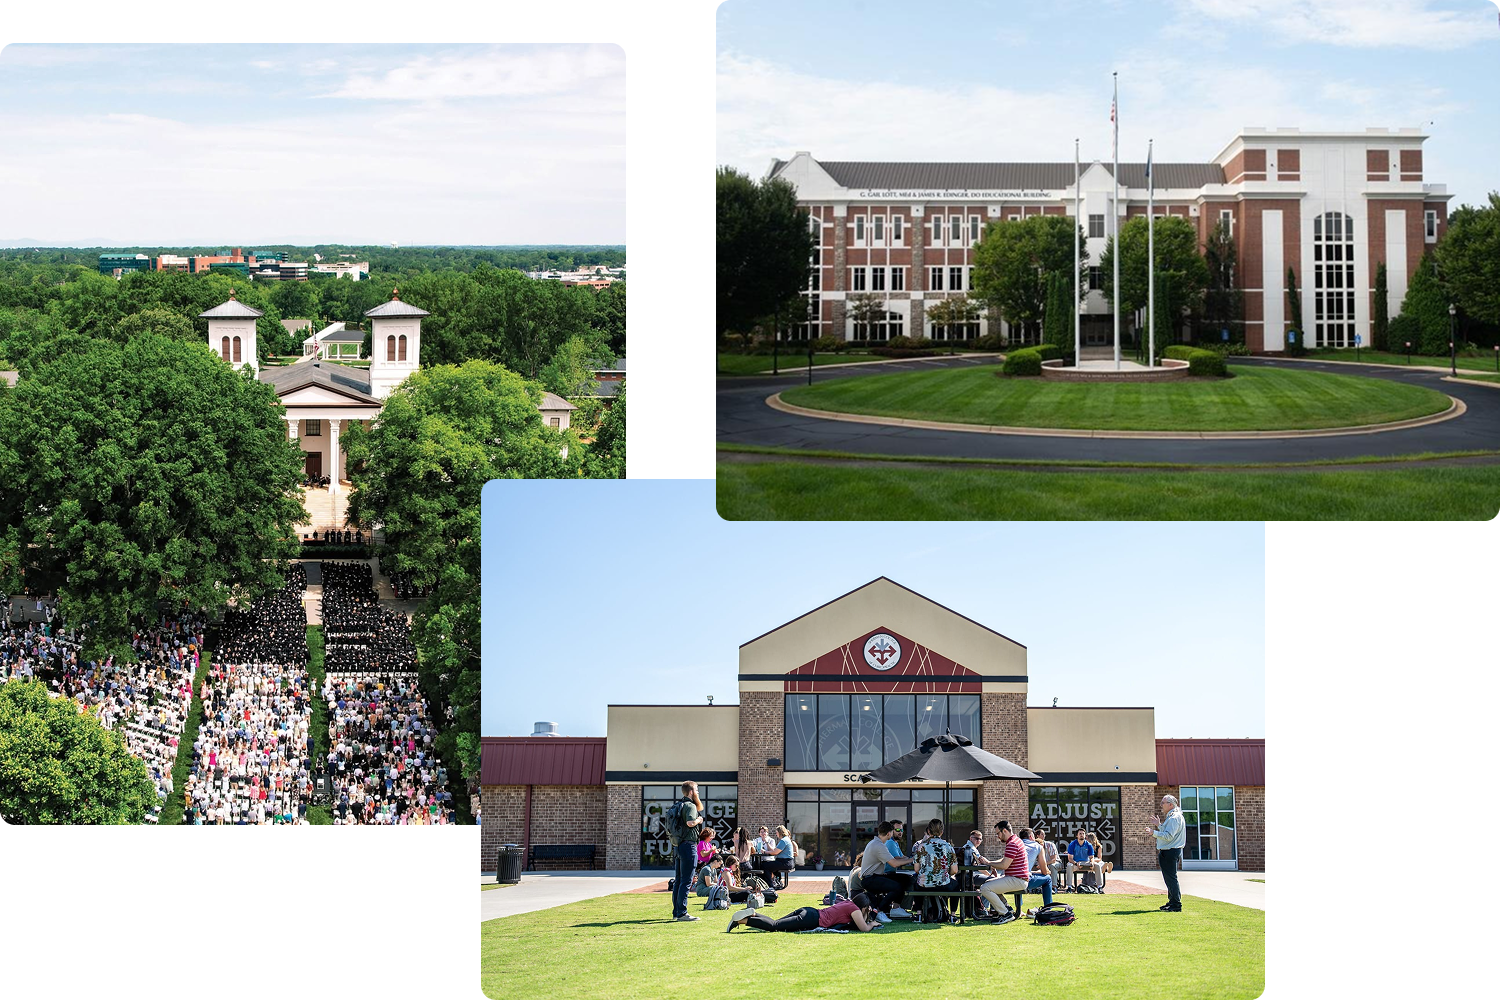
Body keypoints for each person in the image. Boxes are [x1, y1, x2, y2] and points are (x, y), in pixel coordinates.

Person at [727, 891, 881, 933]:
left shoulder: (849, 903)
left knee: (776, 923)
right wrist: (872, 923)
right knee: (774, 926)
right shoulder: (854, 909)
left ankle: (752, 914)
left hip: (808, 911)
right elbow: (864, 928)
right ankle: (741, 921)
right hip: (812, 919)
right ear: (864, 906)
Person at [859, 821, 916, 922]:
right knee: (897, 887)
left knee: (906, 879)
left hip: (876, 876)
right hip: (869, 879)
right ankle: (878, 912)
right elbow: (894, 863)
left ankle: (896, 908)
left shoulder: (877, 843)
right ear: (889, 833)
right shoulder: (879, 845)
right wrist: (912, 860)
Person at [975, 820, 1030, 924]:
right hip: (1017, 879)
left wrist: (989, 863)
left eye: (998, 833)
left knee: (984, 888)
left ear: (1004, 830)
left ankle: (1005, 914)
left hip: (1017, 880)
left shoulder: (1012, 843)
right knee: (988, 883)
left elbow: (1004, 865)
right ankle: (1006, 908)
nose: (997, 837)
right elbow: (1004, 860)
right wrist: (990, 863)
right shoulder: (1015, 840)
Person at [667, 780, 704, 922]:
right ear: (691, 792)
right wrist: (698, 820)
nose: (698, 793)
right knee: (686, 881)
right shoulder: (690, 806)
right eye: (697, 790)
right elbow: (690, 823)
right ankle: (682, 912)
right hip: (688, 846)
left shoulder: (678, 805)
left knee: (678, 881)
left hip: (678, 846)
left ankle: (676, 912)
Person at [913, 819, 960, 921]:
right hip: (943, 884)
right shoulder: (948, 846)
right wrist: (945, 873)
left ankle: (919, 914)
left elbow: (916, 869)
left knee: (915, 882)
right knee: (956, 886)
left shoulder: (921, 846)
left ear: (928, 831)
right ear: (942, 832)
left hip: (924, 885)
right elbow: (954, 870)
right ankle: (952, 915)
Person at [1149, 793, 1186, 912]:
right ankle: (1172, 902)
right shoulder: (1172, 816)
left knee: (1171, 878)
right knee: (1169, 878)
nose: (1161, 805)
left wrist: (1153, 832)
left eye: (1163, 803)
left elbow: (1169, 836)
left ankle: (1176, 904)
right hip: (1168, 851)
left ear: (1170, 804)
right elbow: (1167, 831)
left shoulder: (1174, 818)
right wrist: (1159, 825)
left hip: (1170, 851)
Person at [1018, 828, 1055, 907]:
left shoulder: (1015, 845)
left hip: (1010, 879)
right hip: (1024, 881)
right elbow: (1044, 871)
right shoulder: (1037, 846)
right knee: (1047, 879)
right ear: (1031, 836)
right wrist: (1046, 872)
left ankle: (1019, 909)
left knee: (1018, 876)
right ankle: (1047, 909)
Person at [761, 825, 797, 889]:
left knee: (764, 865)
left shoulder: (783, 840)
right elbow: (775, 850)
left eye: (776, 832)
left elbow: (775, 852)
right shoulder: (786, 839)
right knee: (770, 865)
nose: (776, 834)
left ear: (780, 832)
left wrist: (765, 852)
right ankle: (776, 882)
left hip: (785, 862)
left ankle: (770, 885)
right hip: (787, 862)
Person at [1035, 826, 1066, 894]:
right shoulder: (1035, 847)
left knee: (1052, 866)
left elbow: (1053, 860)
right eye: (1042, 834)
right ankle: (1034, 887)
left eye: (1044, 834)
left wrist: (1043, 865)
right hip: (1044, 865)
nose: (1044, 836)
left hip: (1057, 864)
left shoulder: (1050, 845)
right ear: (1037, 836)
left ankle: (1053, 887)